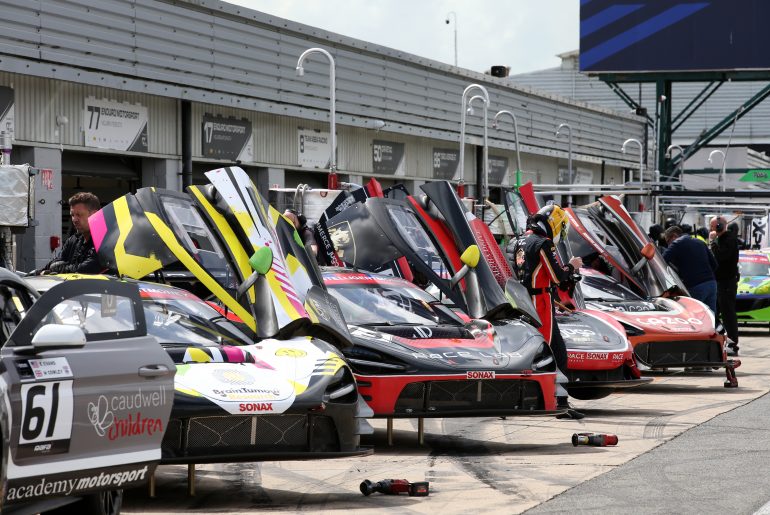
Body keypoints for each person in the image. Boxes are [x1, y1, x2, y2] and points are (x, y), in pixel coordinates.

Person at [517, 204, 584, 420]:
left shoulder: (519, 240)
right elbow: (558, 277)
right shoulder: (543, 243)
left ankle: (525, 400)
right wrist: (572, 266)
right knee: (555, 352)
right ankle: (560, 403)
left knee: (528, 351)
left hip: (521, 300)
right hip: (540, 302)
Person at [42, 192, 103, 274]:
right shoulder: (73, 240)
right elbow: (57, 261)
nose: (74, 219)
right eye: (72, 215)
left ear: (94, 214)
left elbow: (87, 268)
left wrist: (60, 269)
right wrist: (39, 272)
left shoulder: (104, 241)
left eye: (79, 215)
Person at [662, 226, 718, 314]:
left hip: (696, 286)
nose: (669, 245)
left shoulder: (677, 243)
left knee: (693, 317)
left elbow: (662, 260)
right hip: (712, 284)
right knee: (710, 318)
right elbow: (714, 264)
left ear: (673, 236)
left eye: (668, 241)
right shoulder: (700, 242)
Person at [710, 216, 740, 355]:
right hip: (720, 281)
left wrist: (713, 243)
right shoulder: (723, 239)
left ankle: (732, 343)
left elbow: (722, 256)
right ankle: (721, 339)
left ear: (719, 227)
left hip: (726, 281)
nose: (712, 230)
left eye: (713, 227)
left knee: (728, 312)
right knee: (716, 312)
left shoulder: (729, 239)